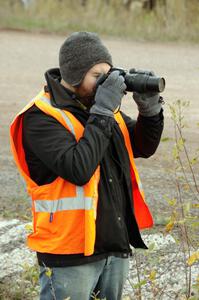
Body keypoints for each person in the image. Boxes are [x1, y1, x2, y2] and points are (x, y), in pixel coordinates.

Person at [10, 32, 164, 300]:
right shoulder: (40, 117)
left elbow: (142, 146)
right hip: (69, 254)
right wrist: (103, 110)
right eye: (97, 75)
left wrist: (150, 112)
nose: (104, 83)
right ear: (74, 76)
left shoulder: (104, 111)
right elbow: (79, 169)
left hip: (113, 247)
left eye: (108, 73)